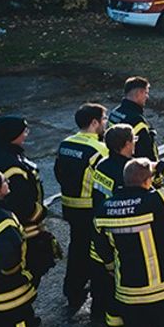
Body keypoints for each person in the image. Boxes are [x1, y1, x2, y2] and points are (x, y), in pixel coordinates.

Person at [93, 158, 164, 327]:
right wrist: (163, 164)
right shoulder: (155, 201)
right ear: (147, 181)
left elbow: (101, 247)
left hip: (128, 295)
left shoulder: (103, 210)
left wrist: (111, 267)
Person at [0, 117, 57, 289]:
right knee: (29, 276)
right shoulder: (14, 168)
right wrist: (41, 213)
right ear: (14, 136)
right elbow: (22, 206)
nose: (26, 135)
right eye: (24, 131)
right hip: (26, 232)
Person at [54, 103, 108, 314]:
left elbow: (58, 172)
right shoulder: (99, 150)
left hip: (69, 205)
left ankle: (73, 290)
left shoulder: (65, 144)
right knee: (95, 253)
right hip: (89, 209)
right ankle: (98, 296)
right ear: (94, 122)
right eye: (103, 120)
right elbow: (105, 182)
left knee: (77, 248)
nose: (105, 123)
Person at [0, 166, 44, 327]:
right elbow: (9, 262)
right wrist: (24, 274)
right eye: (4, 181)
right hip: (8, 296)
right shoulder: (3, 221)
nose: (8, 181)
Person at [90, 123, 135, 327]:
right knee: (119, 294)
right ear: (126, 145)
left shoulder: (102, 165)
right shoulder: (126, 172)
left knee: (106, 293)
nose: (134, 143)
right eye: (133, 140)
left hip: (99, 235)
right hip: (118, 241)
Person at [108, 77, 157, 159]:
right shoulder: (137, 121)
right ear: (139, 93)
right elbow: (147, 153)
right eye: (146, 93)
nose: (147, 96)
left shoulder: (114, 113)